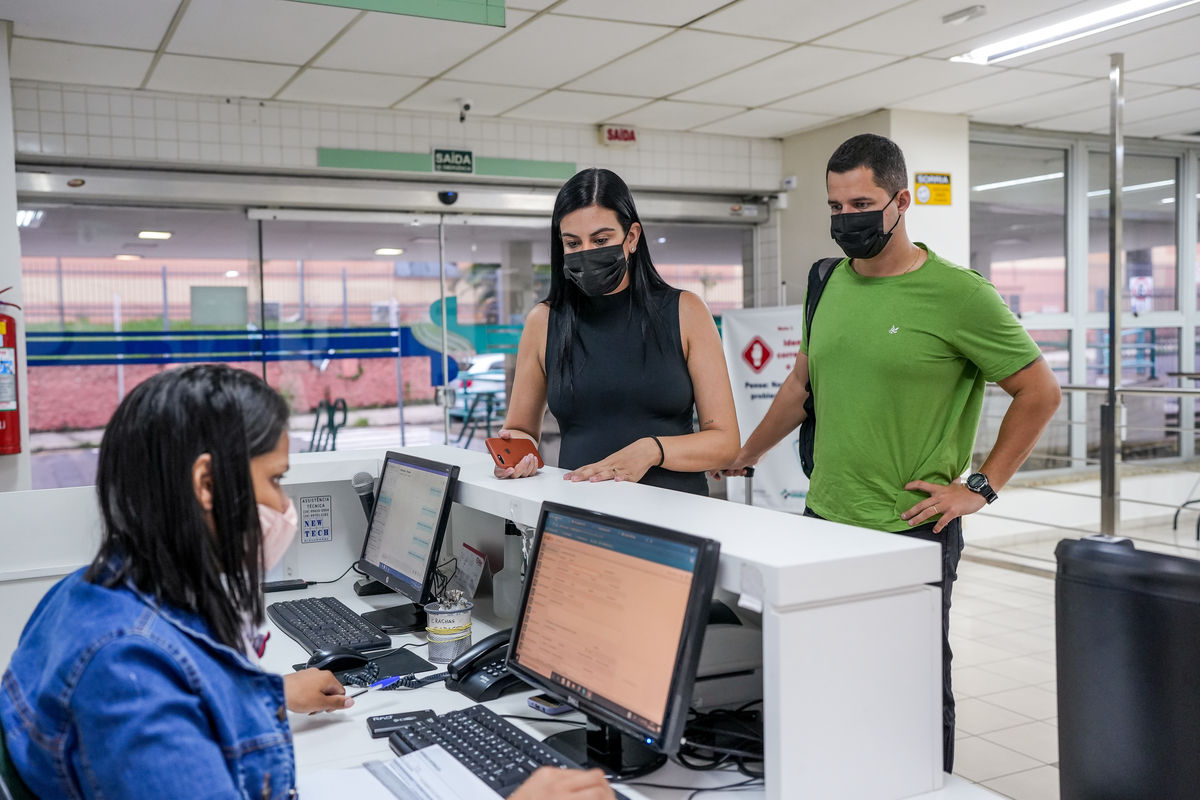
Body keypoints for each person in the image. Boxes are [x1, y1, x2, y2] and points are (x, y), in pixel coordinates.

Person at [0, 365, 617, 800]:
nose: (283, 505)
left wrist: (270, 695)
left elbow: (188, 711)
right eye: (274, 480)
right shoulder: (129, 671)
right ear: (207, 485)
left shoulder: (87, 596)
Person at [716, 134, 1062, 773]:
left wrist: (981, 488)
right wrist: (748, 452)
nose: (847, 218)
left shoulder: (959, 294)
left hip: (910, 530)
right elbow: (800, 386)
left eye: (862, 204)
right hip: (824, 520)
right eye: (836, 206)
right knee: (831, 679)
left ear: (902, 201)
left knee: (913, 693)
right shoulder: (827, 282)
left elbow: (1039, 391)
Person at [494, 168, 739, 495]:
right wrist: (514, 456)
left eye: (600, 240)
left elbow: (725, 443)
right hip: (579, 512)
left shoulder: (686, 312)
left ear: (632, 237)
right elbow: (520, 430)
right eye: (573, 243)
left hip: (676, 515)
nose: (586, 252)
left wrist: (652, 450)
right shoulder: (545, 321)